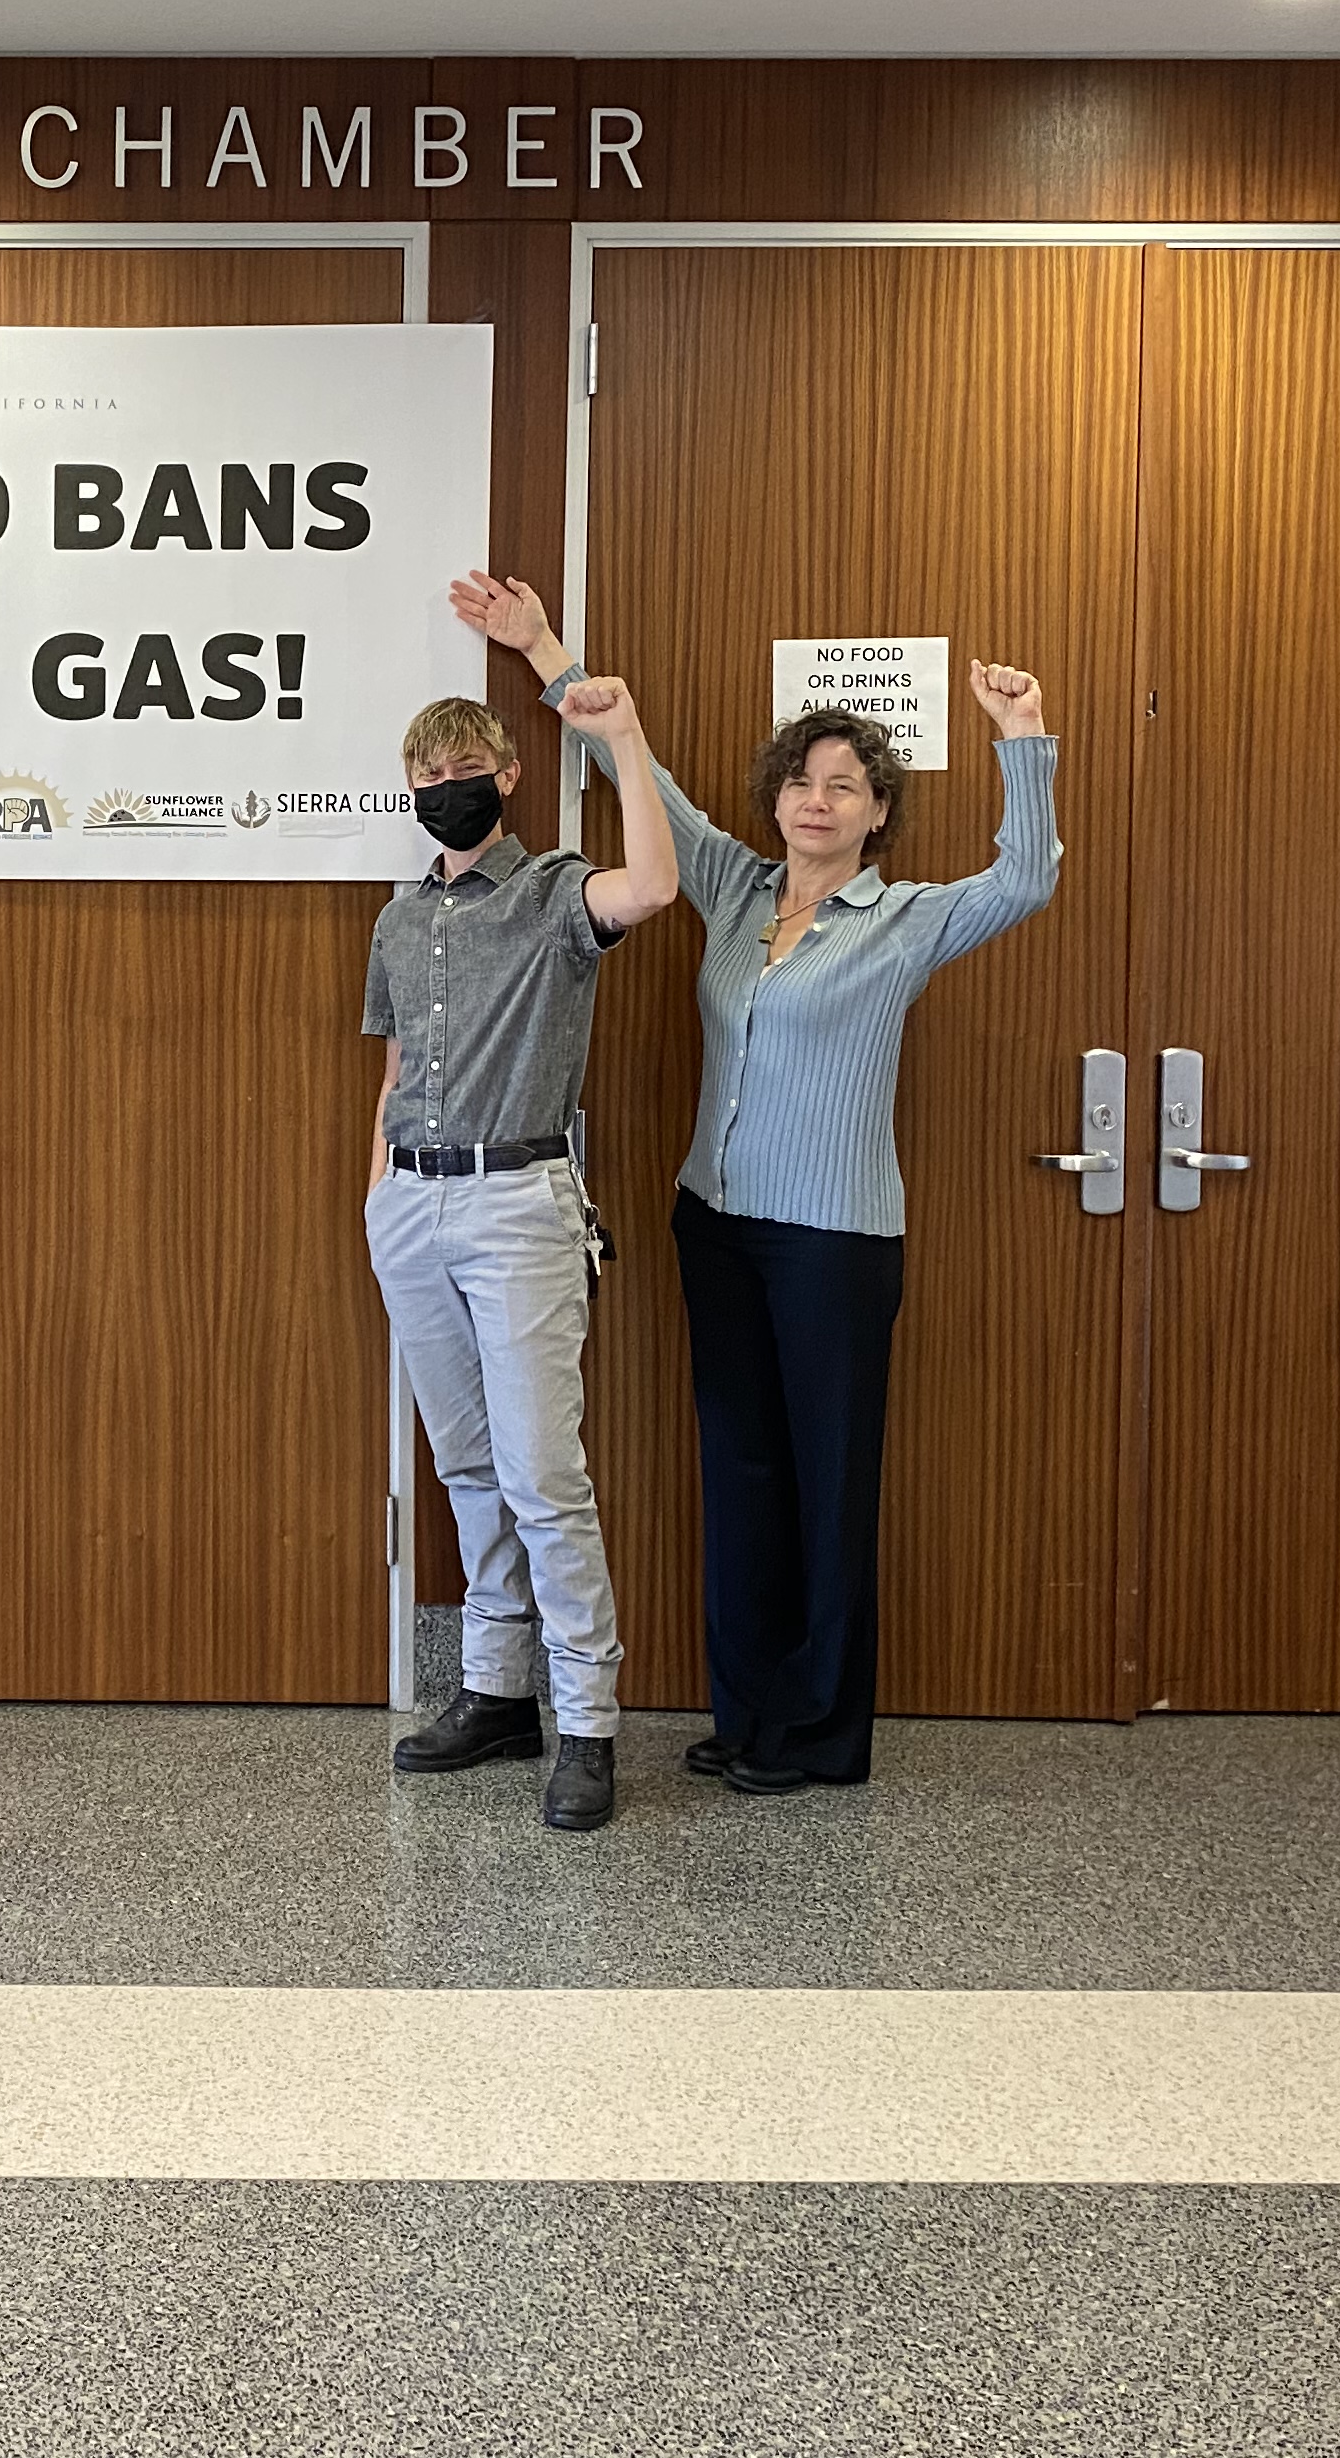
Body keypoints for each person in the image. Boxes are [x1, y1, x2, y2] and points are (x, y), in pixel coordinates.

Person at [455, 572, 1057, 1798]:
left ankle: (820, 1737)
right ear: (776, 798)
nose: (817, 799)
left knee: (830, 1484)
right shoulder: (731, 886)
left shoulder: (910, 920)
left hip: (834, 1242)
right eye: (801, 779)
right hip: (715, 1225)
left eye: (845, 784)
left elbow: (1028, 880)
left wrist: (1024, 740)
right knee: (739, 1474)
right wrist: (546, 654)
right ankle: (748, 1718)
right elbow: (646, 781)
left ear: (878, 812)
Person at [367, 664, 682, 1834]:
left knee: (546, 1476)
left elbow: (651, 885)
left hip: (519, 1204)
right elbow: (395, 1065)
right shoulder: (402, 917)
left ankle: (588, 1722)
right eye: (426, 777)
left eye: (464, 773)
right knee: (465, 1467)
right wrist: (377, 1195)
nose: (446, 791)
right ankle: (498, 1693)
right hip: (411, 1206)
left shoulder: (553, 892)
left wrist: (626, 738)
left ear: (507, 778)